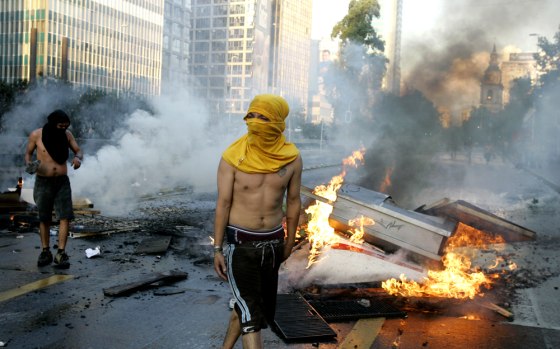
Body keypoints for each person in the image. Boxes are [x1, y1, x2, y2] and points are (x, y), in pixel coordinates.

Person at [213, 94, 302, 349]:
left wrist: (290, 242)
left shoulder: (292, 158)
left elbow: (294, 202)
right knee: (251, 317)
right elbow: (223, 204)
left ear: (277, 121)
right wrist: (218, 248)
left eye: (262, 117)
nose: (254, 121)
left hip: (273, 243)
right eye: (251, 115)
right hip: (241, 246)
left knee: (252, 306)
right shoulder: (232, 157)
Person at [24, 109, 83, 269]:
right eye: (60, 126)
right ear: (52, 124)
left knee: (65, 216)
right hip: (43, 182)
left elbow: (77, 150)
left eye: (66, 126)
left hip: (62, 182)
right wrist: (29, 164)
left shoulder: (67, 135)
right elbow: (28, 154)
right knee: (44, 217)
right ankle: (45, 251)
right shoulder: (36, 135)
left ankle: (61, 253)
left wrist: (77, 158)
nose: (63, 129)